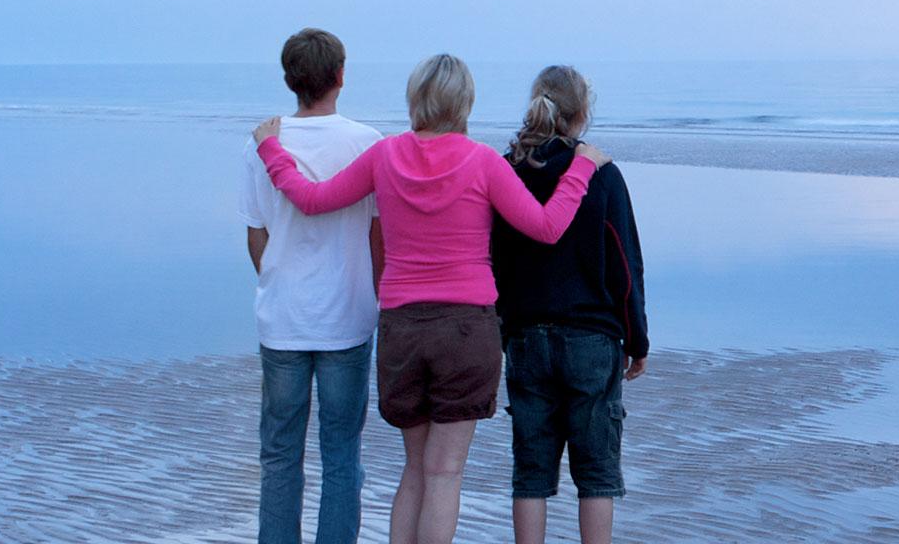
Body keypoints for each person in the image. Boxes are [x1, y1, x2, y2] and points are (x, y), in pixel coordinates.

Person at [251, 53, 610, 544]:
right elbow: (546, 228)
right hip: (465, 331)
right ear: (465, 102)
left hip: (402, 328)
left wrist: (272, 149)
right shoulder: (482, 161)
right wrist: (582, 169)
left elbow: (313, 200)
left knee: (415, 470)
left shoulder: (385, 155)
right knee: (444, 475)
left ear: (415, 98)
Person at [237, 28, 385, 544]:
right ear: (341, 76)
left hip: (282, 318)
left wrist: (281, 278)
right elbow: (377, 235)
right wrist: (374, 294)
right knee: (342, 453)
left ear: (289, 80)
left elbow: (257, 234)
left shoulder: (263, 144)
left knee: (279, 454)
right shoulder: (368, 142)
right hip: (347, 316)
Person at [490, 66, 648, 544]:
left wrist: (501, 330)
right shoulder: (601, 174)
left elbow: (493, 259)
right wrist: (637, 339)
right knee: (597, 473)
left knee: (531, 473)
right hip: (591, 336)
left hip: (525, 334)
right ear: (582, 113)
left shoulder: (507, 169)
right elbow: (625, 264)